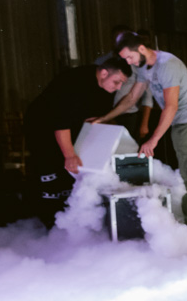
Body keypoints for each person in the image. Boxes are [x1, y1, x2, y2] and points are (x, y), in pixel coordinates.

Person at [105, 32, 187, 231]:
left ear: (141, 49)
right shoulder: (142, 66)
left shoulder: (167, 65)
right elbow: (131, 98)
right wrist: (104, 118)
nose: (128, 62)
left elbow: (171, 107)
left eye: (130, 57)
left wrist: (153, 140)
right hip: (179, 125)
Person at [24, 55, 129, 228]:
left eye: (122, 83)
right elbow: (61, 124)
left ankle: (70, 219)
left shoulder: (104, 87)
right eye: (117, 82)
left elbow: (99, 118)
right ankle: (49, 221)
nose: (119, 87)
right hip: (41, 125)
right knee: (51, 170)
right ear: (104, 73)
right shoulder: (74, 84)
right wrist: (69, 155)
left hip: (68, 126)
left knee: (71, 173)